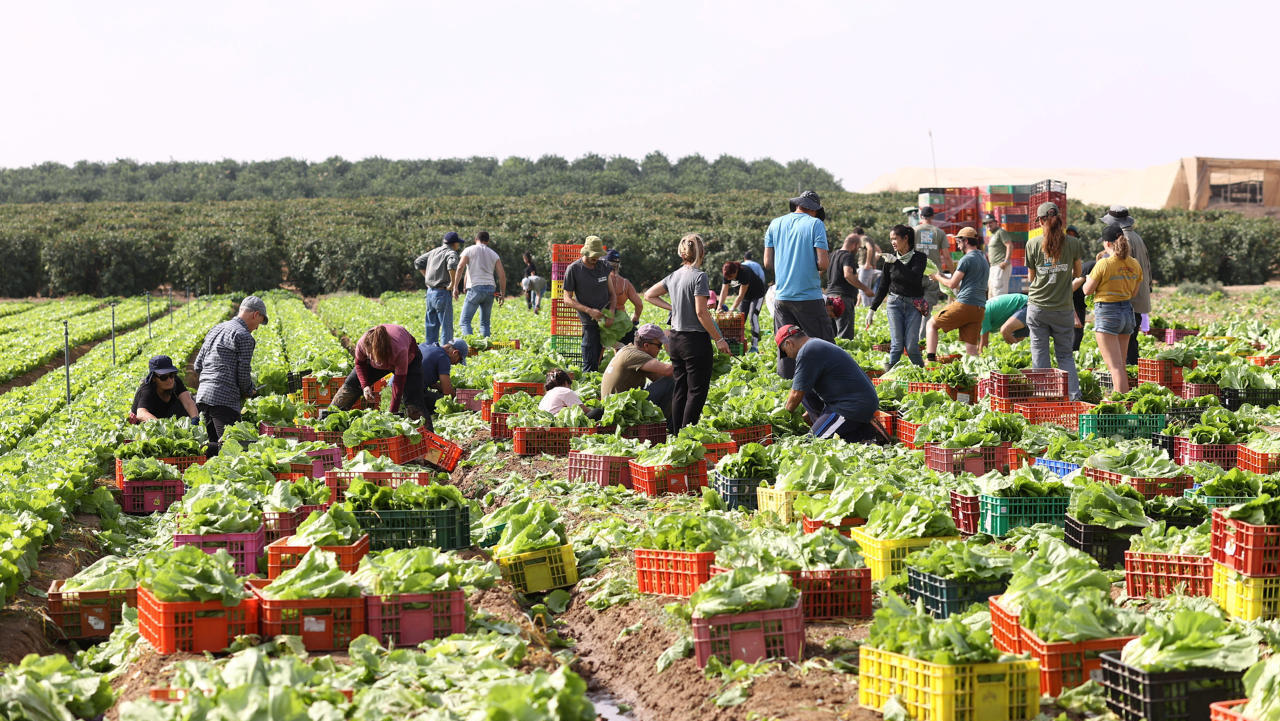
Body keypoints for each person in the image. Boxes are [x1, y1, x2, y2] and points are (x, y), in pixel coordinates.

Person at [643, 233, 731, 431]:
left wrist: (672, 308)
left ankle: (675, 432)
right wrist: (719, 339)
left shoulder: (673, 275)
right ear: (702, 252)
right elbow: (701, 312)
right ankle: (687, 432)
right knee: (697, 391)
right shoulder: (699, 276)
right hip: (694, 341)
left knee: (680, 388)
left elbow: (649, 295)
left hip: (675, 339)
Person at [764, 190, 834, 380]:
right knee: (822, 345)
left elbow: (768, 263)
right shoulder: (815, 224)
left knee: (787, 345)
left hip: (781, 296)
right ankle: (823, 389)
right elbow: (823, 263)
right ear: (814, 210)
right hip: (808, 297)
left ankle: (789, 389)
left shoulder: (775, 224)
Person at [775, 325, 882, 443]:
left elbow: (796, 394)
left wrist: (783, 419)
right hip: (858, 402)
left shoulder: (807, 351)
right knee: (806, 390)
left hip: (850, 407)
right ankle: (862, 434)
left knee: (812, 443)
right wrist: (806, 417)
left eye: (785, 353)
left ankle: (863, 435)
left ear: (789, 343)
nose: (789, 357)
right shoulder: (814, 344)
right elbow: (803, 390)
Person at [193, 295, 266, 455]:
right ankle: (197, 450)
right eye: (259, 323)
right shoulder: (244, 337)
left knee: (216, 449)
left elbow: (198, 365)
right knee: (232, 448)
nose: (257, 328)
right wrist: (249, 391)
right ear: (255, 315)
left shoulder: (216, 329)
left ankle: (206, 461)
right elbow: (243, 374)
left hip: (203, 396)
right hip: (224, 399)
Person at [1025, 202, 1083, 401]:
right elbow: (1078, 273)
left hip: (1038, 308)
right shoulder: (1073, 244)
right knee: (1065, 356)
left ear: (1041, 221)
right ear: (1059, 219)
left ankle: (1043, 397)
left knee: (1040, 354)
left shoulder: (1032, 244)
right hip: (1063, 309)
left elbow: (1031, 278)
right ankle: (1074, 398)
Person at [1077, 224, 1143, 394]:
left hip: (1107, 313)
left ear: (1107, 243)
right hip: (1127, 313)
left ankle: (1120, 403)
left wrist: (1086, 279)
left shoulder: (1104, 264)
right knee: (1120, 364)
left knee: (1115, 367)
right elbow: (1134, 292)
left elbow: (1087, 290)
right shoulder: (1134, 264)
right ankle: (1124, 400)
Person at [330, 324, 430, 424]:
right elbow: (360, 364)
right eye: (372, 357)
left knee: (414, 402)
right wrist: (365, 386)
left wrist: (392, 414)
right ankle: (327, 421)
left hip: (409, 360)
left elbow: (398, 384)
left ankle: (426, 434)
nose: (378, 363)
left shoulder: (399, 350)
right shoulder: (362, 344)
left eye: (379, 359)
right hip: (384, 358)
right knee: (350, 386)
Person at [867, 225, 927, 368]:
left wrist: (897, 263)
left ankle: (922, 375)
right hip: (894, 303)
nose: (892, 242)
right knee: (897, 345)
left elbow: (914, 278)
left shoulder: (920, 258)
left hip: (914, 305)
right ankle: (890, 377)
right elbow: (883, 286)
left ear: (905, 238)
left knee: (912, 346)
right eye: (891, 239)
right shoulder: (889, 261)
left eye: (895, 239)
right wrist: (872, 309)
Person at [1101, 206, 1152, 365]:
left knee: (1126, 343)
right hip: (1138, 297)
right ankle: (1131, 376)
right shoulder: (1136, 237)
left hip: (1128, 299)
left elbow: (1124, 271)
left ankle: (1128, 378)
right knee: (1130, 342)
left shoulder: (1125, 240)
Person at [927, 227, 989, 358]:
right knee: (972, 350)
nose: (958, 245)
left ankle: (930, 360)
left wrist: (937, 276)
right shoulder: (983, 259)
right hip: (979, 308)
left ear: (966, 241)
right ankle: (976, 375)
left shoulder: (966, 259)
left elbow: (952, 284)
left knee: (931, 324)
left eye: (959, 242)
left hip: (965, 304)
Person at [563, 236, 617, 373]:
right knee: (590, 360)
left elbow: (612, 293)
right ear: (585, 252)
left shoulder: (604, 266)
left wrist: (611, 312)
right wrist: (589, 311)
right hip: (589, 321)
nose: (596, 258)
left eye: (598, 255)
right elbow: (567, 299)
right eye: (594, 255)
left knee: (605, 357)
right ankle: (589, 385)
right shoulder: (573, 269)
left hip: (606, 320)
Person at [601, 323, 675, 419]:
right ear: (646, 345)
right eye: (659, 345)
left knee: (671, 382)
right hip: (621, 410)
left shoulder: (628, 349)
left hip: (617, 406)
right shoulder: (636, 355)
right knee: (671, 382)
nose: (660, 349)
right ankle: (668, 425)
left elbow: (658, 378)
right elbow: (669, 371)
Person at [912, 206, 955, 346]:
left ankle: (912, 339)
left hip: (915, 274)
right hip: (933, 275)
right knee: (927, 308)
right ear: (932, 217)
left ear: (921, 216)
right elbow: (947, 257)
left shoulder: (913, 231)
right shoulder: (939, 233)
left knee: (914, 307)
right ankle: (923, 340)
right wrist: (953, 273)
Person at [452, 231, 506, 338]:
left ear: (476, 239)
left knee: (465, 321)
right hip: (490, 288)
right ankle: (485, 350)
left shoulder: (469, 250)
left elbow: (460, 267)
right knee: (485, 323)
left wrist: (455, 287)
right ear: (488, 241)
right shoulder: (494, 254)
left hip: (475, 287)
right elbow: (502, 275)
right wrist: (502, 294)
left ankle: (471, 347)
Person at [413, 232, 464, 345]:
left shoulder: (435, 251)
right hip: (442, 292)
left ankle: (430, 351)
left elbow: (418, 262)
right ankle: (446, 354)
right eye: (458, 244)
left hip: (430, 293)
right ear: (454, 244)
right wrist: (453, 283)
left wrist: (427, 277)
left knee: (431, 326)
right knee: (446, 326)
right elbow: (451, 265)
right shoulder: (451, 253)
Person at [825, 233, 873, 339]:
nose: (858, 250)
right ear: (854, 245)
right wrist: (865, 289)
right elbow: (847, 274)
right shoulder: (847, 256)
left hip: (829, 298)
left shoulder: (832, 255)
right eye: (859, 247)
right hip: (842, 298)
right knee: (844, 335)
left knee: (831, 335)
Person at [130, 355, 199, 424]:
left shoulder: (175, 380)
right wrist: (162, 426)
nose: (169, 380)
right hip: (150, 425)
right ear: (154, 378)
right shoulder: (147, 389)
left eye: (172, 375)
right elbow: (141, 413)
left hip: (166, 416)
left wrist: (195, 418)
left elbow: (187, 401)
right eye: (163, 377)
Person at [718, 261, 766, 351]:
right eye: (727, 277)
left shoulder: (744, 272)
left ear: (736, 271)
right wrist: (719, 306)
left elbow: (741, 295)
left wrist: (731, 309)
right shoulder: (727, 274)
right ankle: (736, 346)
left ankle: (755, 346)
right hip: (746, 297)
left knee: (753, 317)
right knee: (740, 320)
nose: (729, 279)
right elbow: (724, 291)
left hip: (757, 295)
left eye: (731, 277)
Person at [417, 338, 468, 421]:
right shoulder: (443, 358)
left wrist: (442, 387)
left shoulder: (427, 346)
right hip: (410, 394)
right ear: (455, 353)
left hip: (396, 385)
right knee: (445, 403)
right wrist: (459, 401)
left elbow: (429, 379)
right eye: (459, 360)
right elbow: (447, 392)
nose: (456, 364)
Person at [605, 250, 644, 346]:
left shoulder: (600, 280)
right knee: (635, 346)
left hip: (604, 322)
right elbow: (639, 304)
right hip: (621, 324)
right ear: (618, 264)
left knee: (598, 354)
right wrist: (635, 319)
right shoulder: (625, 283)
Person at [1067, 225, 1088, 351]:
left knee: (1078, 329)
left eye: (1073, 236)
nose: (1071, 238)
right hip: (1064, 295)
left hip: (1077, 297)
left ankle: (1074, 354)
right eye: (1068, 235)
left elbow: (1079, 272)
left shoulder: (1077, 253)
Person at [984, 213, 1013, 298]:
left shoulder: (1001, 232)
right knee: (992, 293)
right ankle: (994, 311)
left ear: (996, 223)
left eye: (990, 222)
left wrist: (1006, 261)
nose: (988, 225)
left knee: (999, 294)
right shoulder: (993, 235)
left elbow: (1009, 245)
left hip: (1000, 266)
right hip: (993, 267)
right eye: (986, 223)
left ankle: (1002, 311)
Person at [856, 229, 882, 308]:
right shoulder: (869, 239)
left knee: (863, 288)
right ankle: (862, 305)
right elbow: (879, 250)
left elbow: (870, 249)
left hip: (864, 266)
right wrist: (874, 262)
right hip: (867, 267)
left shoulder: (862, 238)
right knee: (864, 287)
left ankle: (866, 307)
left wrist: (868, 263)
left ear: (857, 234)